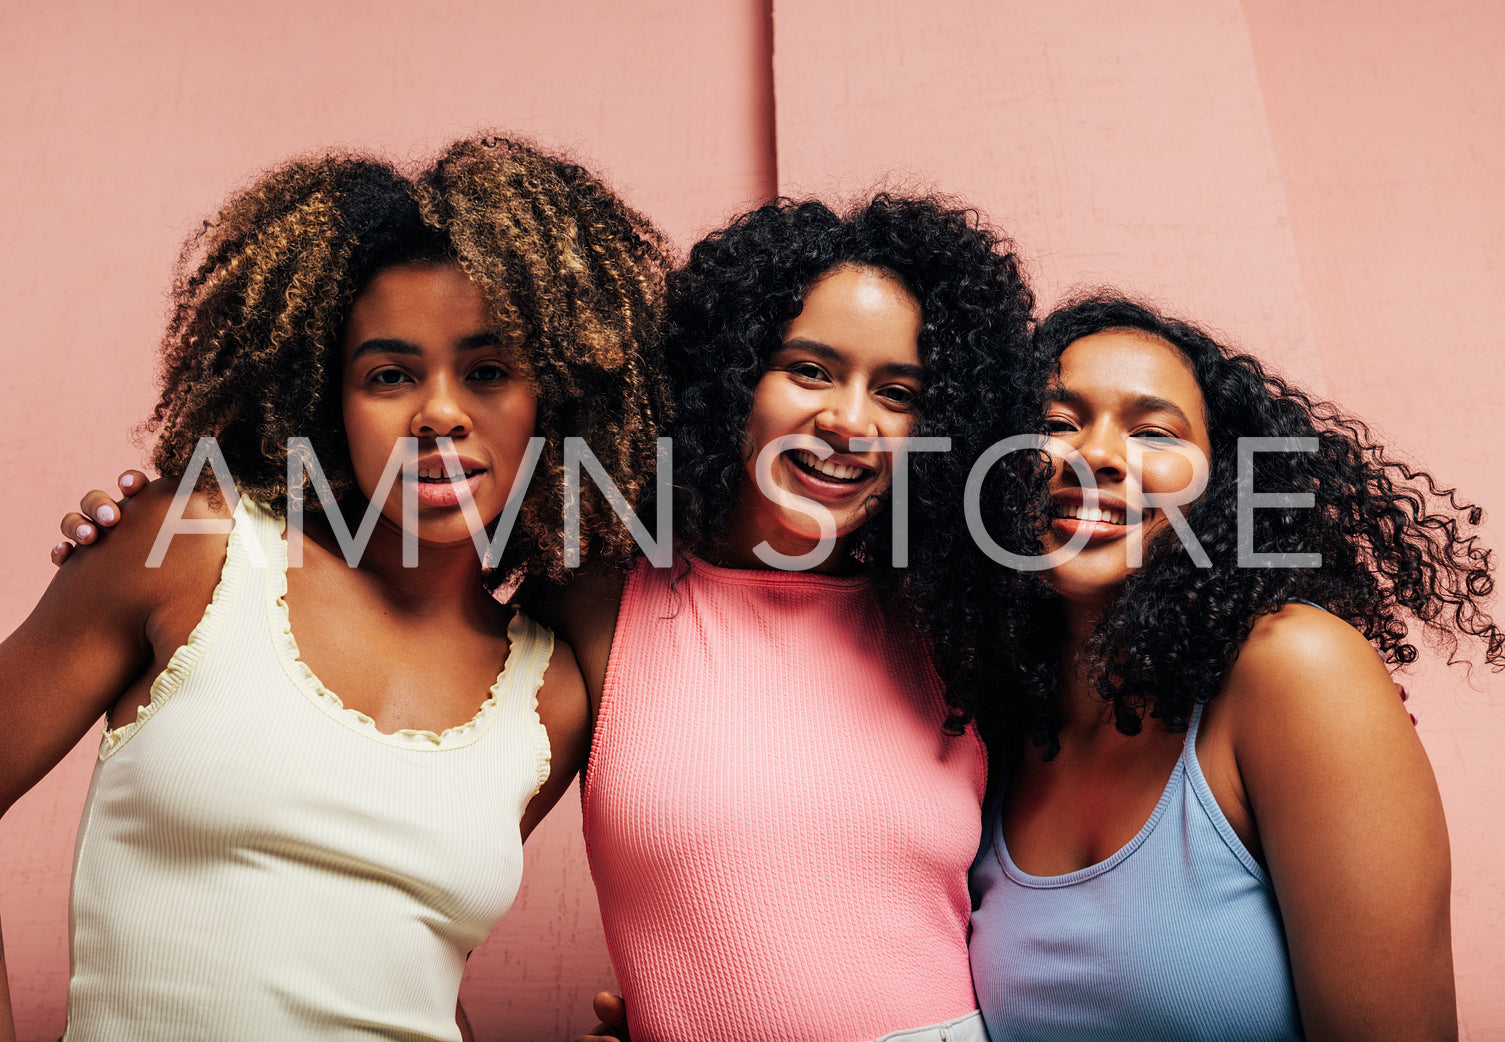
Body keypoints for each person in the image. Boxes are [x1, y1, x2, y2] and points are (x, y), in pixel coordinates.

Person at [1, 135, 672, 1041]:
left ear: (552, 408)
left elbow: (399, 961)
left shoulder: (551, 693)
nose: (439, 411)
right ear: (327, 399)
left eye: (487, 371)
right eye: (390, 375)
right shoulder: (190, 550)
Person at [955, 295, 1500, 1041]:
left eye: (1153, 431)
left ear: (1221, 487)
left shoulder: (1295, 668)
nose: (1100, 455)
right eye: (1054, 423)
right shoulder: (994, 726)